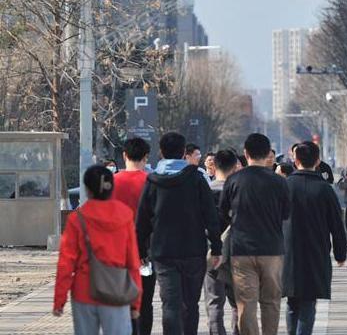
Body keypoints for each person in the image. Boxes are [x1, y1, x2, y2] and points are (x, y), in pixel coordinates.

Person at [137, 132, 223, 335]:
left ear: (161, 152)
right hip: (193, 250)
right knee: (190, 304)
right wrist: (217, 247)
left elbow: (142, 220)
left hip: (163, 252)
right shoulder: (196, 178)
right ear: (184, 152)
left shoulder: (153, 181)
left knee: (170, 304)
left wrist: (141, 250)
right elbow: (210, 215)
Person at [53, 165, 142, 335]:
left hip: (83, 291)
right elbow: (132, 261)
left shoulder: (76, 219)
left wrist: (59, 299)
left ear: (87, 190)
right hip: (116, 290)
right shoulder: (125, 215)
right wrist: (136, 301)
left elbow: (66, 263)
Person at [219, 133, 291, 335]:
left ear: (246, 153)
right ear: (268, 153)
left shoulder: (234, 180)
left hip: (241, 250)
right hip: (272, 249)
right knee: (271, 302)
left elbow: (222, 215)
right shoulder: (279, 182)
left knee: (245, 303)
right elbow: (286, 213)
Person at [283, 141, 347, 335]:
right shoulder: (325, 189)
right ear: (318, 161)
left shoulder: (284, 186)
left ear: (295, 160)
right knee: (309, 302)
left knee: (292, 301)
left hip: (287, 252)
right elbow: (337, 225)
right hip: (316, 251)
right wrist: (340, 253)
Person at [113, 137, 154, 335]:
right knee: (145, 302)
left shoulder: (110, 183)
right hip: (145, 253)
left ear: (124, 156)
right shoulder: (152, 183)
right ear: (146, 157)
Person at [205, 150, 240, 335]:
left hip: (210, 253)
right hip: (237, 253)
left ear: (213, 166)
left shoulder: (204, 191)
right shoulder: (239, 192)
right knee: (239, 304)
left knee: (214, 303)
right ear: (235, 168)